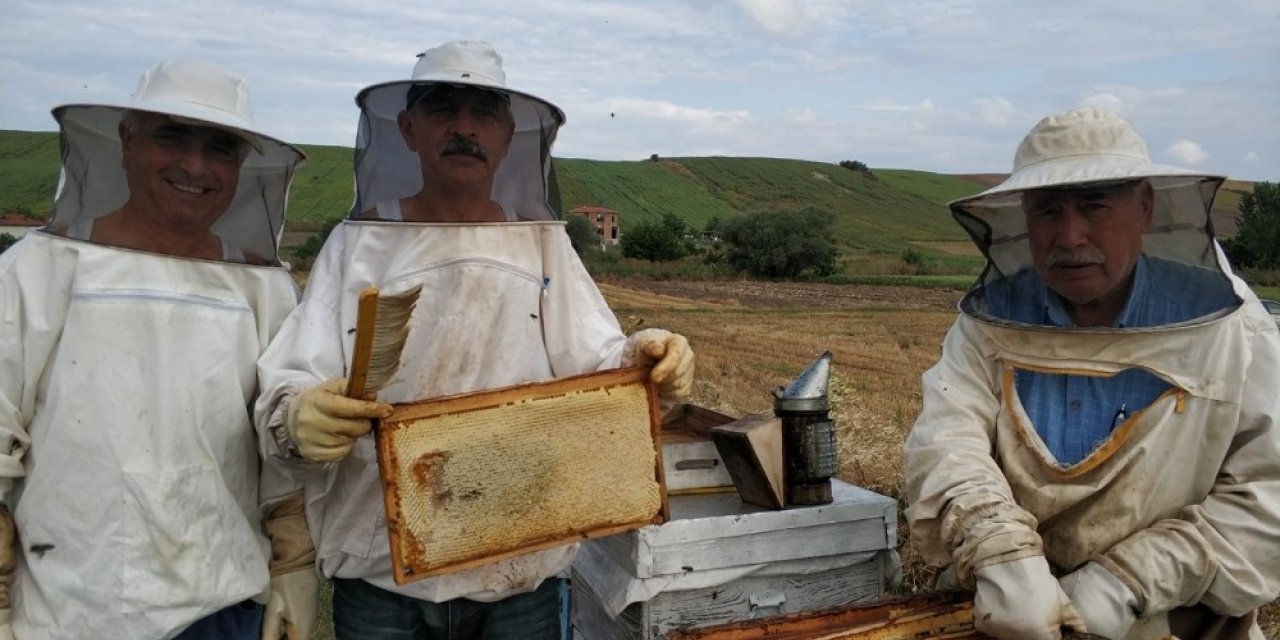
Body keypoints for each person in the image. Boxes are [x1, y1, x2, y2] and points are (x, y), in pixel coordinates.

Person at [254, 40, 695, 640]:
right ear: (408, 129)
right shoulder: (358, 243)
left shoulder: (539, 243)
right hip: (383, 565)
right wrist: (298, 412)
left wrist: (646, 358)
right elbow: (298, 374)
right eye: (442, 108)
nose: (464, 127)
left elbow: (596, 362)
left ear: (509, 134)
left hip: (519, 563)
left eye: (483, 111)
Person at [903, 106, 1280, 640]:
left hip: (1182, 623)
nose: (1070, 236)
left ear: (1145, 206)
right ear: (1023, 218)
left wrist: (1129, 579)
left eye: (1095, 206)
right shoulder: (988, 324)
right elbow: (946, 440)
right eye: (1048, 211)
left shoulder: (1235, 330)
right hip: (1014, 618)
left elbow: (1270, 493)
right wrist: (999, 549)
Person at [0, 60, 319, 639]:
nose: (194, 165)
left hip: (220, 602)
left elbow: (279, 441)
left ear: (242, 164)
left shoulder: (263, 288)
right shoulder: (38, 269)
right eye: (171, 136)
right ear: (126, 140)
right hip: (68, 607)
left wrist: (292, 560)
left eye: (219, 147)